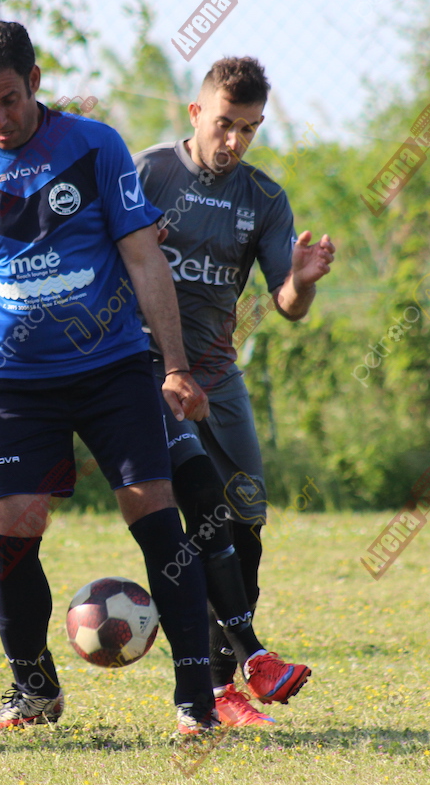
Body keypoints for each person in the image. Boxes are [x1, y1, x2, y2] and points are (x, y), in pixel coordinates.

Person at [0, 19, 219, 735]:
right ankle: (34, 692)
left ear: (35, 82)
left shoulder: (94, 147)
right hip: (17, 385)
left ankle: (196, 701)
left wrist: (176, 365)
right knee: (12, 536)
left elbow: (144, 258)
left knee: (155, 517)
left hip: (114, 369)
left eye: (9, 99)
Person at [132, 57, 327, 725]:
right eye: (224, 124)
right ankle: (226, 675)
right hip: (148, 370)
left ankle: (225, 685)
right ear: (196, 113)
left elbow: (287, 304)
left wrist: (302, 280)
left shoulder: (264, 199)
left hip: (218, 376)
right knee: (197, 507)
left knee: (245, 523)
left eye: (249, 128)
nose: (234, 141)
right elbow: (101, 262)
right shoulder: (147, 173)